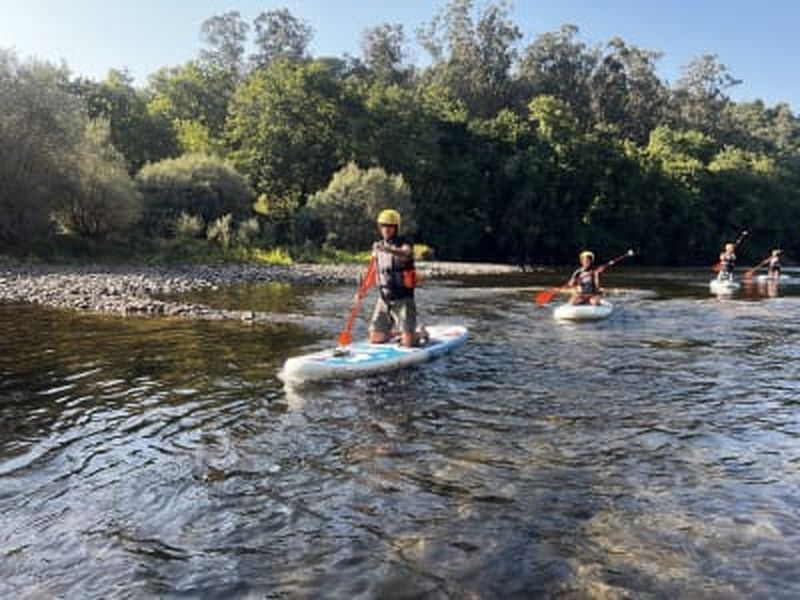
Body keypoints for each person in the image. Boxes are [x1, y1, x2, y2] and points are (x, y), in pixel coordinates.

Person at [367, 209, 426, 347]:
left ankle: (420, 333)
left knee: (408, 344)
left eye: (390, 226)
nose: (386, 229)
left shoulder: (405, 242)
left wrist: (387, 249)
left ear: (396, 228)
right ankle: (398, 333)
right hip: (384, 299)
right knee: (375, 338)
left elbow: (406, 253)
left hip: (403, 299)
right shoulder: (377, 247)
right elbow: (373, 271)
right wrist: (361, 292)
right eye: (383, 226)